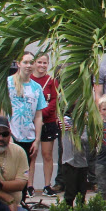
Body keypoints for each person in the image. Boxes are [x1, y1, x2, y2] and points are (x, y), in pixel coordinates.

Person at [6, 51, 46, 196]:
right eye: (25, 62)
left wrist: (37, 139)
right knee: (10, 173)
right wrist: (7, 134)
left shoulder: (36, 88)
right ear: (18, 64)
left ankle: (22, 202)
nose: (29, 65)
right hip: (12, 135)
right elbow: (1, 111)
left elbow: (38, 115)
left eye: (31, 62)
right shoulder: (8, 83)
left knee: (24, 174)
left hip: (28, 136)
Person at [32, 52, 61, 196]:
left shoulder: (51, 81)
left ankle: (47, 185)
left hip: (48, 121)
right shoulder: (28, 79)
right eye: (39, 62)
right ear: (34, 63)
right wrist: (35, 116)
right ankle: (29, 185)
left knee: (47, 154)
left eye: (45, 63)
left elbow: (54, 100)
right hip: (30, 123)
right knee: (31, 154)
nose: (42, 65)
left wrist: (42, 114)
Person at [56, 114, 90, 206]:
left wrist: (77, 133)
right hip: (68, 162)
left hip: (82, 163)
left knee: (81, 191)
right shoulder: (64, 120)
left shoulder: (84, 122)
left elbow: (87, 140)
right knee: (70, 191)